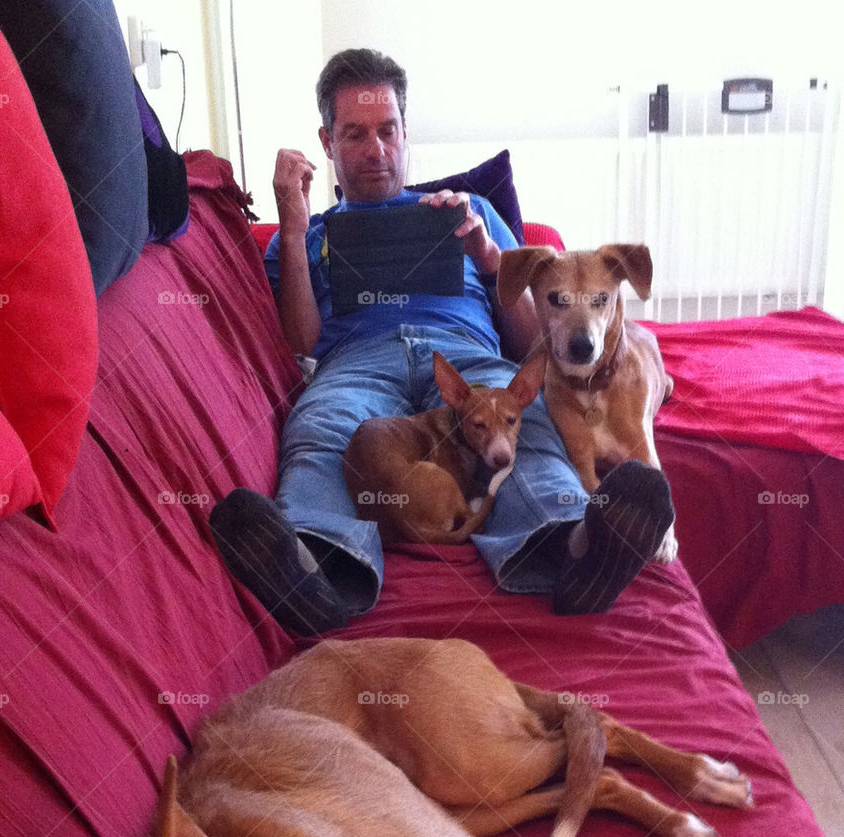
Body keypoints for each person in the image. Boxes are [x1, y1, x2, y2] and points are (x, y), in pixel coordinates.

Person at [210, 48, 674, 635]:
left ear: (406, 133)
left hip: (465, 353)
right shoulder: (308, 234)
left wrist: (488, 258)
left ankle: (577, 547)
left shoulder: (471, 211)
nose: (376, 150)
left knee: (527, 426)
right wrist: (295, 228)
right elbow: (297, 342)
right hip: (355, 362)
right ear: (327, 142)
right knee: (322, 428)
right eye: (355, 134)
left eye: (388, 131)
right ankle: (316, 569)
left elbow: (532, 345)